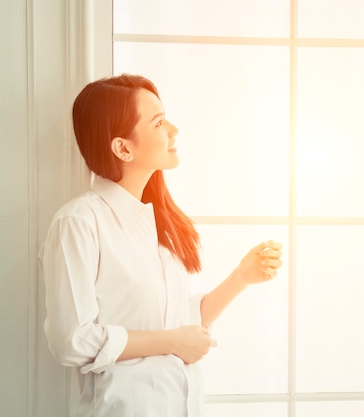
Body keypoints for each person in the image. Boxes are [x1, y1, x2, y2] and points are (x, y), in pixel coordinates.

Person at [39, 73, 283, 417]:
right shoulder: (79, 222)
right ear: (123, 148)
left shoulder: (157, 225)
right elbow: (71, 341)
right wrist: (171, 343)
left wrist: (241, 277)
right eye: (158, 122)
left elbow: (179, 323)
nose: (173, 130)